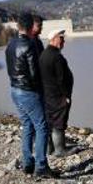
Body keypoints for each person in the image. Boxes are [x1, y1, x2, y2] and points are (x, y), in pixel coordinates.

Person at [5, 13, 58, 178]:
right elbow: (35, 75)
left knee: (27, 125)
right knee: (41, 127)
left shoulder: (11, 44)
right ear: (29, 27)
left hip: (14, 90)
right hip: (29, 92)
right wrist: (42, 92)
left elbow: (10, 69)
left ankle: (28, 163)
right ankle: (41, 166)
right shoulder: (28, 46)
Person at [39, 28, 77, 157]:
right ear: (54, 39)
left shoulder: (43, 55)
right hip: (58, 96)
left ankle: (49, 149)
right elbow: (62, 79)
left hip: (48, 95)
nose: (63, 41)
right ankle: (60, 150)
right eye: (61, 38)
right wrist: (66, 96)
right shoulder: (56, 57)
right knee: (59, 123)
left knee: (50, 122)